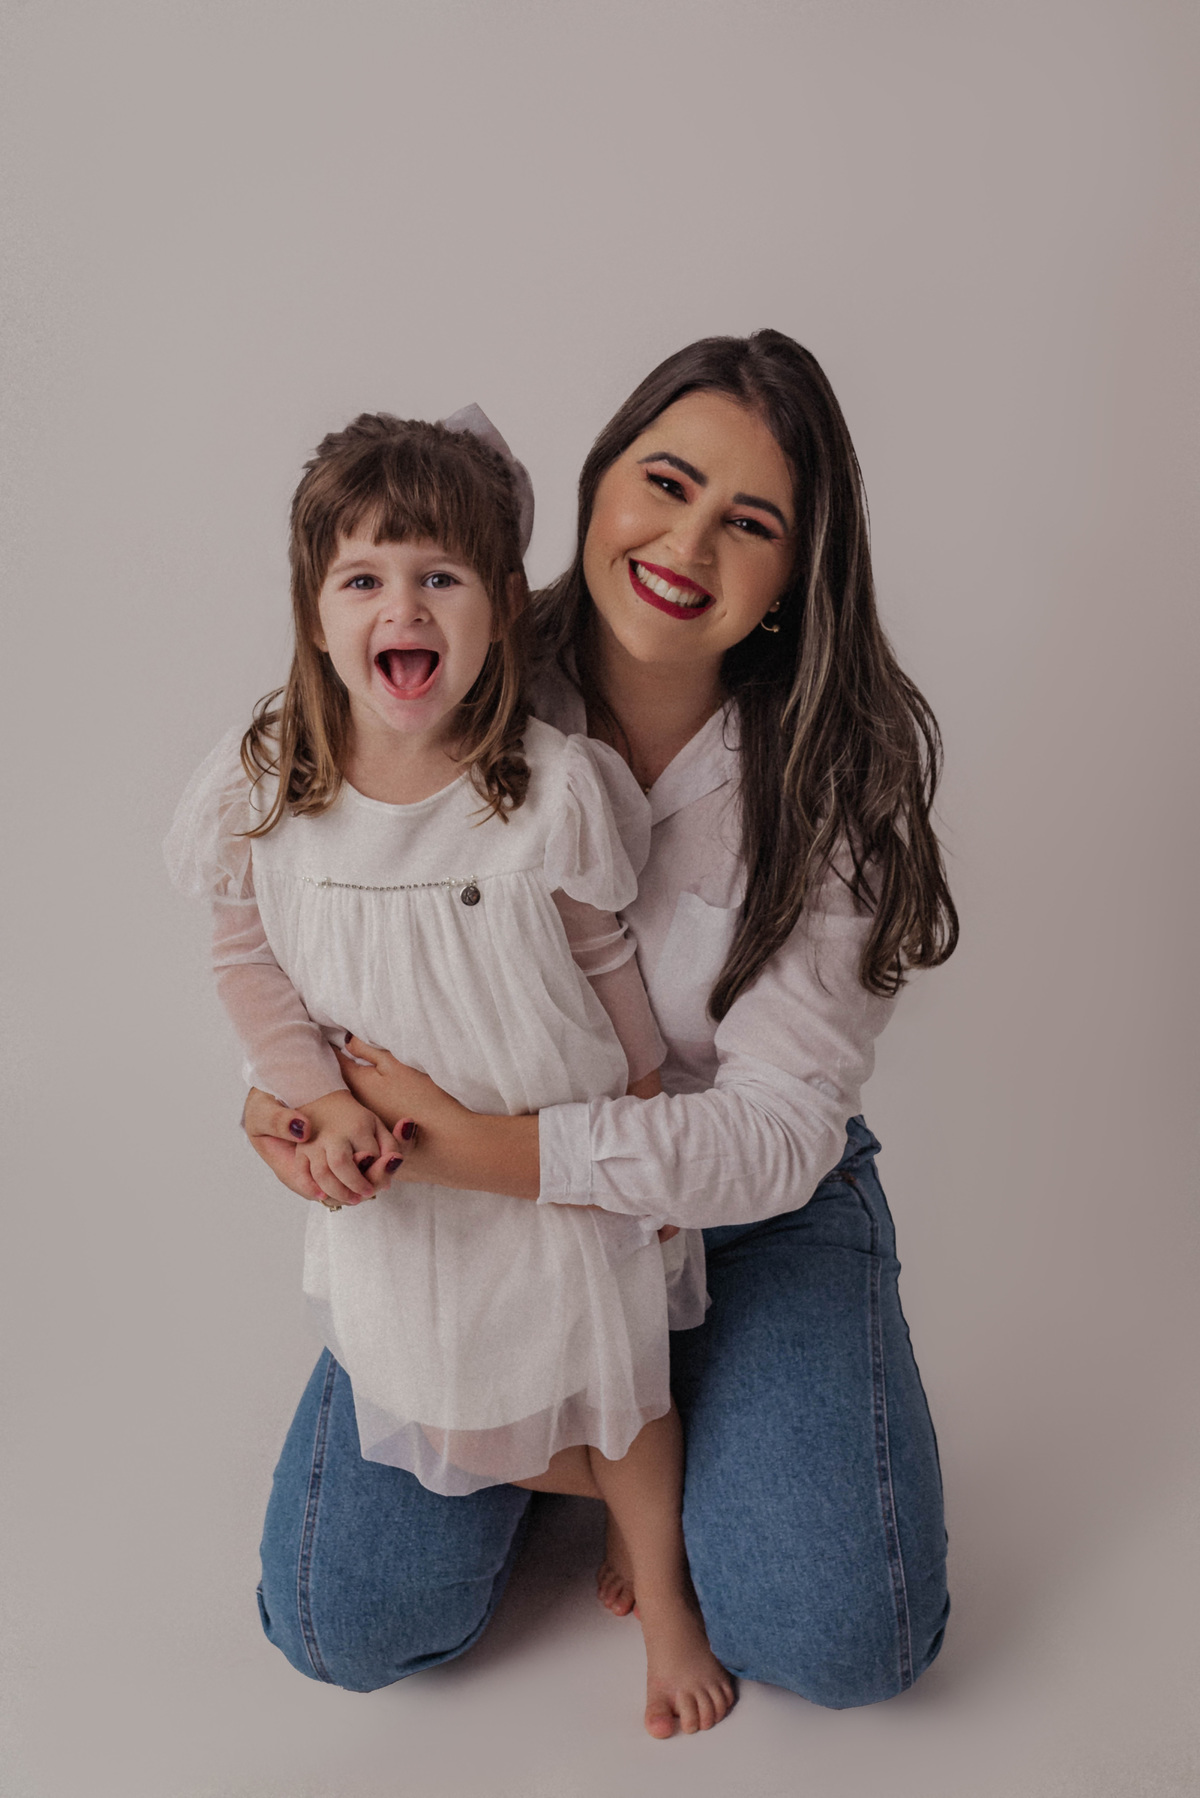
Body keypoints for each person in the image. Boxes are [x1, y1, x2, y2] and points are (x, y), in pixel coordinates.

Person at [245, 330, 959, 1721]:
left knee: (841, 1638)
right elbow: (310, 898)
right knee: (345, 1622)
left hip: (734, 1210)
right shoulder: (453, 654)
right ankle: (593, 1443)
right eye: (666, 483)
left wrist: (487, 1152)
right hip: (470, 1223)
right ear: (598, 479)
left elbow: (777, 1130)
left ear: (795, 573)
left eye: (749, 522)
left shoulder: (831, 775)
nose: (686, 544)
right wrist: (284, 1093)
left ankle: (683, 1429)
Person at [166, 410, 735, 1736]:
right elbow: (247, 961)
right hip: (407, 1180)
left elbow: (605, 966)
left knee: (622, 1377)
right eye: (363, 579)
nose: (402, 608)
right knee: (446, 1393)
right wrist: (319, 1099)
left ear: (502, 609)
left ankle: (664, 1590)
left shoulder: (545, 787)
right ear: (315, 613)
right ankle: (578, 1489)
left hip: (549, 1141)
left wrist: (641, 1115)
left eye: (440, 577)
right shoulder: (271, 783)